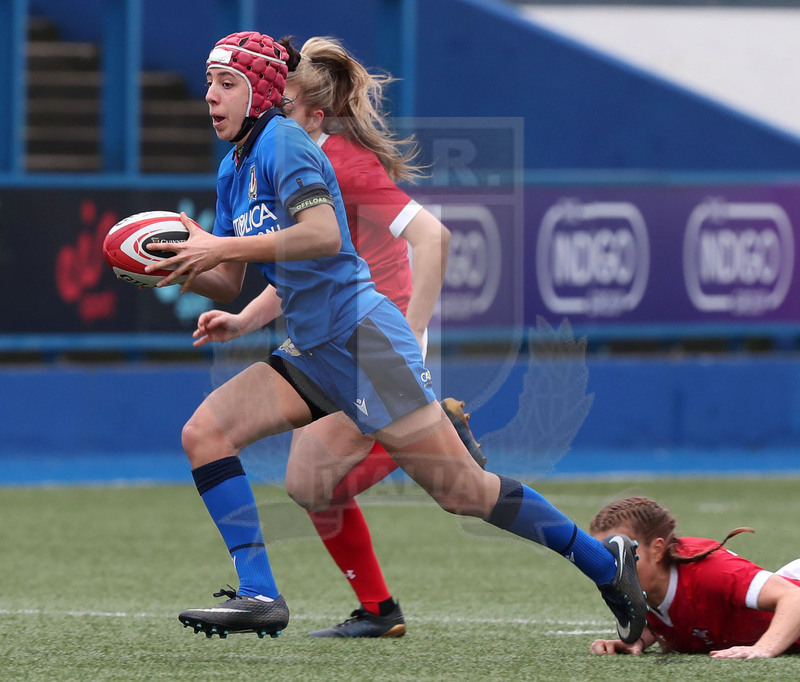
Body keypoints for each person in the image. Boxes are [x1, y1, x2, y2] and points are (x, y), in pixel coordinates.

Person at [145, 30, 646, 644]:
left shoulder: (288, 145)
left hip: (366, 342)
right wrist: (177, 267)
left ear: (264, 92)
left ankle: (606, 563)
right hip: (313, 351)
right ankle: (260, 593)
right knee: (205, 433)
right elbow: (227, 281)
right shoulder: (234, 168)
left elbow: (324, 236)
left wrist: (219, 245)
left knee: (464, 492)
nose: (209, 96)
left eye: (227, 84)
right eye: (209, 82)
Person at [190, 34, 485, 638]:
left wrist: (415, 334)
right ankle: (379, 610)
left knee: (430, 488)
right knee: (308, 482)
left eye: (285, 106)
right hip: (336, 333)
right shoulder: (278, 164)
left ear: (308, 113)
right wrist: (244, 319)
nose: (273, 116)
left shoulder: (338, 164)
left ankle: (438, 436)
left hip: (373, 336)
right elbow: (300, 268)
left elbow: (433, 236)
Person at [588, 496, 800, 658]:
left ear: (657, 549)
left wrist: (764, 648)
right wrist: (638, 639)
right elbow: (682, 611)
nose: (612, 565)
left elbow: (794, 599)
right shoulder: (644, 589)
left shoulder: (711, 570)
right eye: (603, 556)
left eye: (622, 553)